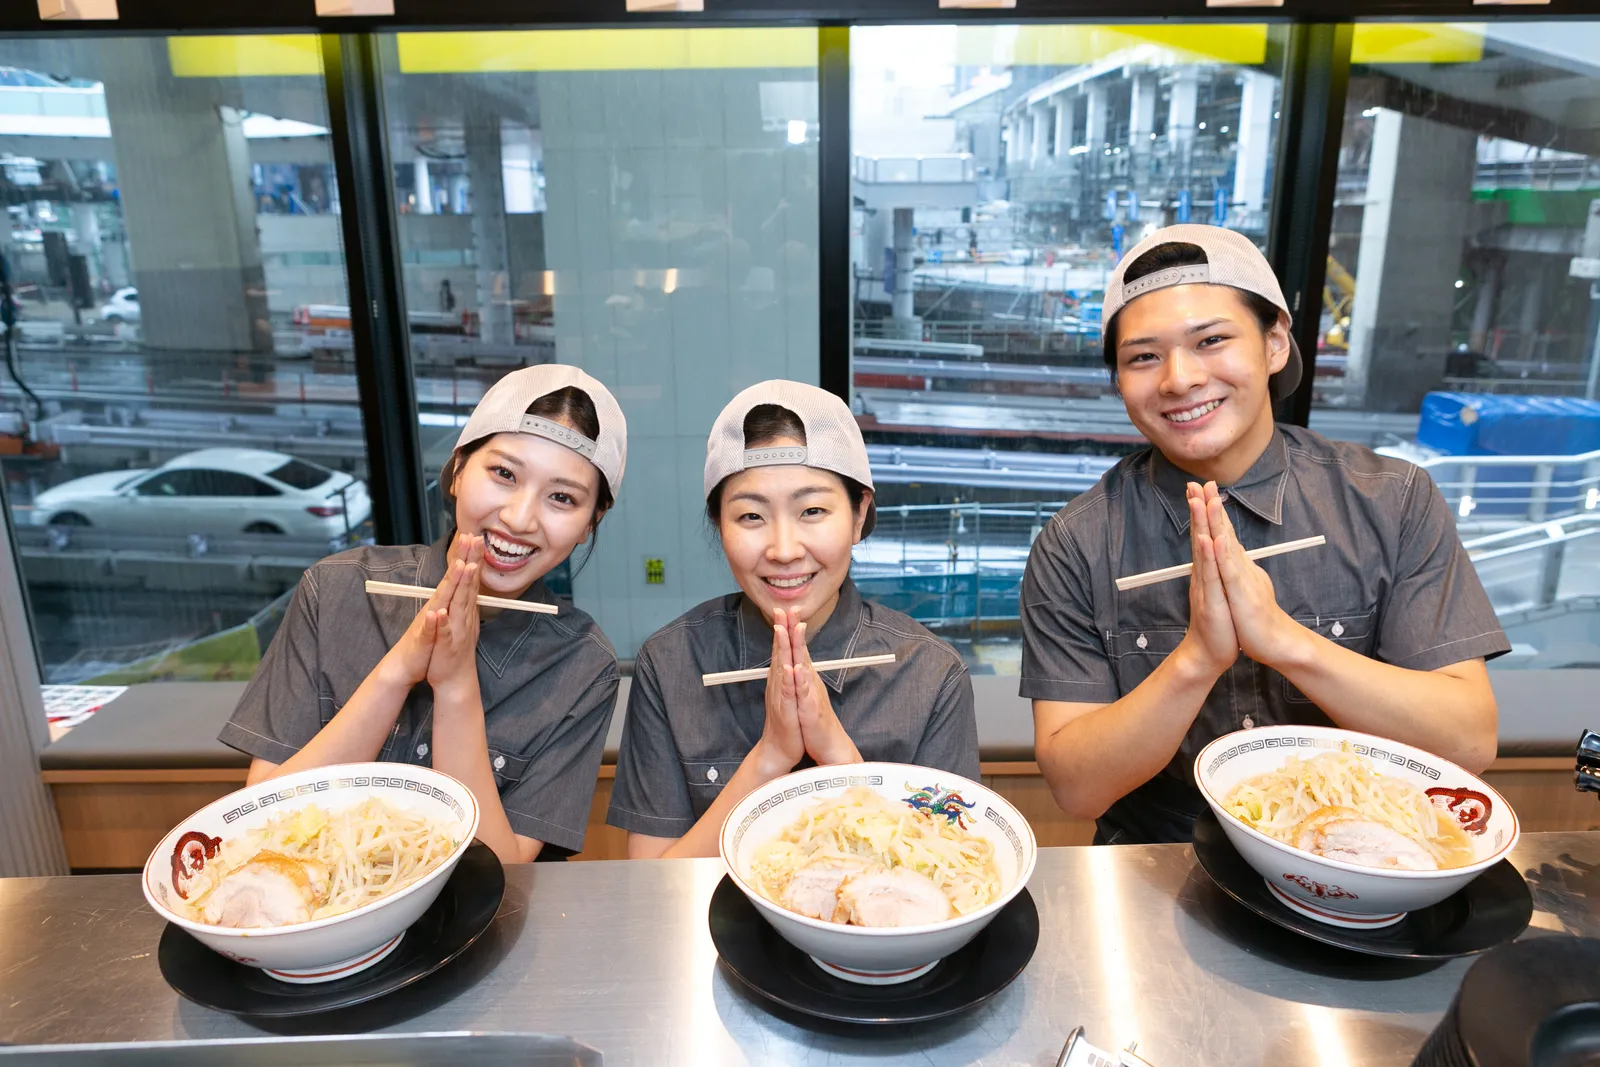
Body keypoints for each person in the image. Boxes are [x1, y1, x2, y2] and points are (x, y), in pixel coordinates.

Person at [1020, 224, 1509, 845]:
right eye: (1143, 356)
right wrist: (1196, 659)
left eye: (1211, 340)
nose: (1179, 379)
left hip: (1367, 839)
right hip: (1161, 855)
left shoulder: (1393, 500)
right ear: (1119, 379)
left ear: (1275, 342)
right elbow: (1075, 788)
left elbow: (1468, 741)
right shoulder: (1076, 542)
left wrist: (1283, 641)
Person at [219, 365, 628, 864]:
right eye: (504, 474)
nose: (521, 519)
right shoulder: (336, 589)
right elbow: (256, 825)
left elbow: (504, 869)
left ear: (591, 524)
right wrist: (398, 670)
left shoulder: (583, 664)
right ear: (458, 471)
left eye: (562, 498)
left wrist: (457, 685)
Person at [608, 380, 980, 858]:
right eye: (751, 517)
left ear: (859, 512)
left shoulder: (931, 675)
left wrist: (838, 757)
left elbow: (951, 877)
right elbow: (654, 885)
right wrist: (769, 758)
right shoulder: (670, 664)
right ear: (719, 523)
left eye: (813, 510)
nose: (784, 550)